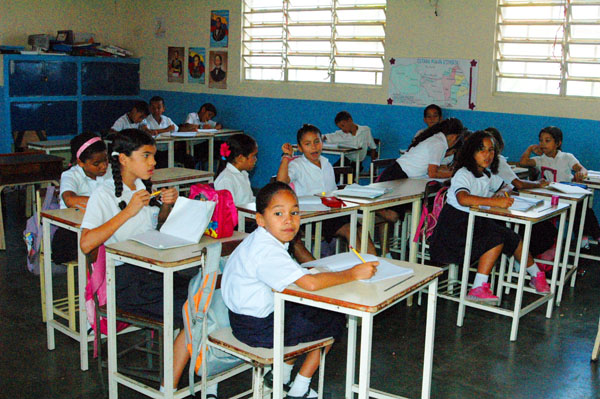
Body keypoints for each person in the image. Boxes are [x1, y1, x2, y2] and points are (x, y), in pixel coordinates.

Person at [221, 182, 378, 399]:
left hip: (246, 320)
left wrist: (315, 274)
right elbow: (310, 285)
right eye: (278, 213)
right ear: (260, 219)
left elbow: (292, 277)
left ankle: (282, 375)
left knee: (309, 312)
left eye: (294, 212)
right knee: (334, 317)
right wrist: (353, 273)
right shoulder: (266, 250)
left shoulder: (261, 240)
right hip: (258, 328)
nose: (289, 220)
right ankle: (300, 388)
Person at [79, 129, 194, 394]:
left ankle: (181, 371)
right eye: (146, 156)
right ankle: (172, 382)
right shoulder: (103, 194)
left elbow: (155, 230)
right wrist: (129, 211)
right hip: (124, 284)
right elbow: (86, 243)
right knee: (192, 309)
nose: (153, 162)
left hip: (149, 273)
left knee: (201, 294)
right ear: (123, 159)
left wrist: (166, 207)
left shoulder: (141, 187)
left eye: (153, 155)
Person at [429, 131, 550, 304]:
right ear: (471, 152)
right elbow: (463, 199)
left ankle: (536, 275)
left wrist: (501, 193)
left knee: (513, 237)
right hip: (455, 228)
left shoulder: (486, 174)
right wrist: (494, 201)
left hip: (475, 223)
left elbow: (507, 186)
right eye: (482, 150)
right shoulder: (464, 173)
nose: (488, 155)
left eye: (491, 150)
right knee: (495, 238)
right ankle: (478, 287)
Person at [277, 124, 377, 255]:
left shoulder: (326, 163)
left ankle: (374, 263)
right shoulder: (297, 165)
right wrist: (286, 157)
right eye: (307, 144)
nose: (314, 147)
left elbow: (332, 191)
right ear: (300, 148)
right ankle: (366, 265)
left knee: (361, 229)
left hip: (331, 212)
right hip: (312, 216)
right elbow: (281, 181)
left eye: (317, 142)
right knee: (349, 229)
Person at [485, 127, 556, 260]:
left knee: (542, 227)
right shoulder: (497, 161)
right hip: (492, 214)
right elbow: (518, 184)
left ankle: (524, 259)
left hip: (493, 209)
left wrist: (504, 190)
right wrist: (538, 184)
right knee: (542, 228)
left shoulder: (487, 165)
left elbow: (507, 186)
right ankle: (523, 259)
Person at [519, 126, 600, 243]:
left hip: (567, 198)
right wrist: (530, 149)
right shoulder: (540, 159)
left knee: (581, 208)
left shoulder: (567, 157)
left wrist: (580, 173)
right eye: (541, 140)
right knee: (580, 210)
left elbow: (582, 169)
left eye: (547, 141)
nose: (543, 144)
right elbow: (523, 162)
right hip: (548, 199)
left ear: (558, 143)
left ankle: (589, 235)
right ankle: (583, 236)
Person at [51, 132, 110, 264]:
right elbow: (70, 200)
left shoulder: (111, 172)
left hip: (102, 227)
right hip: (73, 232)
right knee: (98, 245)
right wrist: (105, 202)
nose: (104, 166)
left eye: (106, 160)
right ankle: (96, 279)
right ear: (80, 163)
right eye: (97, 163)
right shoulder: (70, 175)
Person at [378, 117, 465, 182]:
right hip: (396, 175)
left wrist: (449, 171)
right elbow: (432, 173)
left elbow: (433, 168)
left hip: (400, 173)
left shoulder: (438, 140)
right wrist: (454, 174)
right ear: (454, 137)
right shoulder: (439, 144)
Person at [143, 96, 190, 168]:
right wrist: (167, 129)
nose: (156, 110)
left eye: (159, 108)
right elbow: (150, 132)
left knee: (189, 159)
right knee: (163, 163)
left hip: (168, 150)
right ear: (149, 109)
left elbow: (176, 129)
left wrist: (190, 129)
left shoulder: (167, 119)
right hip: (155, 151)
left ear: (163, 109)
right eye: (153, 108)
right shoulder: (146, 120)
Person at [214, 134, 258, 206]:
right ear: (240, 158)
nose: (255, 159)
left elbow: (249, 199)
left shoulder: (243, 173)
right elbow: (227, 210)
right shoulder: (226, 180)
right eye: (253, 156)